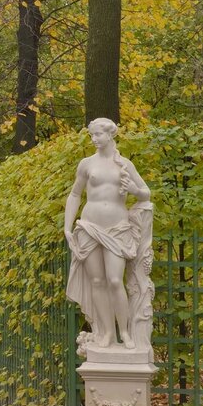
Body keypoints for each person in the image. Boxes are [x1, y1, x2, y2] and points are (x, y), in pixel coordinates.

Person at [63, 118, 151, 350]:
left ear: (110, 135)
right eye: (91, 135)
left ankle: (124, 331)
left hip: (117, 228)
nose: (94, 139)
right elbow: (74, 195)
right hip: (90, 227)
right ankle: (107, 333)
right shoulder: (86, 164)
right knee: (97, 281)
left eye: (98, 134)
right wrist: (67, 226)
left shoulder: (124, 165)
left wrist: (133, 189)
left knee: (114, 280)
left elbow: (145, 193)